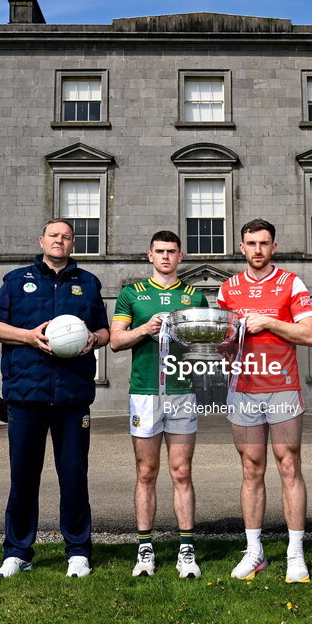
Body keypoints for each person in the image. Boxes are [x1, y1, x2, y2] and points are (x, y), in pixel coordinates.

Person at [0, 219, 110, 579]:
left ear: (73, 244)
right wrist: (27, 336)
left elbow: (103, 329)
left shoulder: (87, 283)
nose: (59, 241)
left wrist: (94, 340)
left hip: (72, 397)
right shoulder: (16, 280)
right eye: (53, 235)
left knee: (74, 476)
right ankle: (18, 552)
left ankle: (79, 552)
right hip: (26, 395)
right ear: (41, 240)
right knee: (23, 477)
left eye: (66, 237)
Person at [216, 218, 312, 583]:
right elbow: (223, 344)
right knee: (251, 469)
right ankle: (255, 551)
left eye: (263, 243)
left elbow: (310, 333)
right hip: (242, 390)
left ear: (274, 246)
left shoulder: (291, 282)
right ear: (240, 247)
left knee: (288, 466)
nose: (257, 249)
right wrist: (224, 345)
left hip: (282, 387)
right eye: (250, 243)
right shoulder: (228, 289)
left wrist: (269, 323)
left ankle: (295, 554)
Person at [110, 230, 209, 578]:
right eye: (159, 251)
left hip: (182, 391)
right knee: (146, 472)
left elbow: (206, 348)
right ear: (149, 255)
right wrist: (144, 330)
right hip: (145, 392)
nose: (166, 257)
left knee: (181, 472)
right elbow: (115, 341)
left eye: (172, 251)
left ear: (181, 256)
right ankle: (145, 550)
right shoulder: (131, 295)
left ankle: (186, 551)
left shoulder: (195, 297)